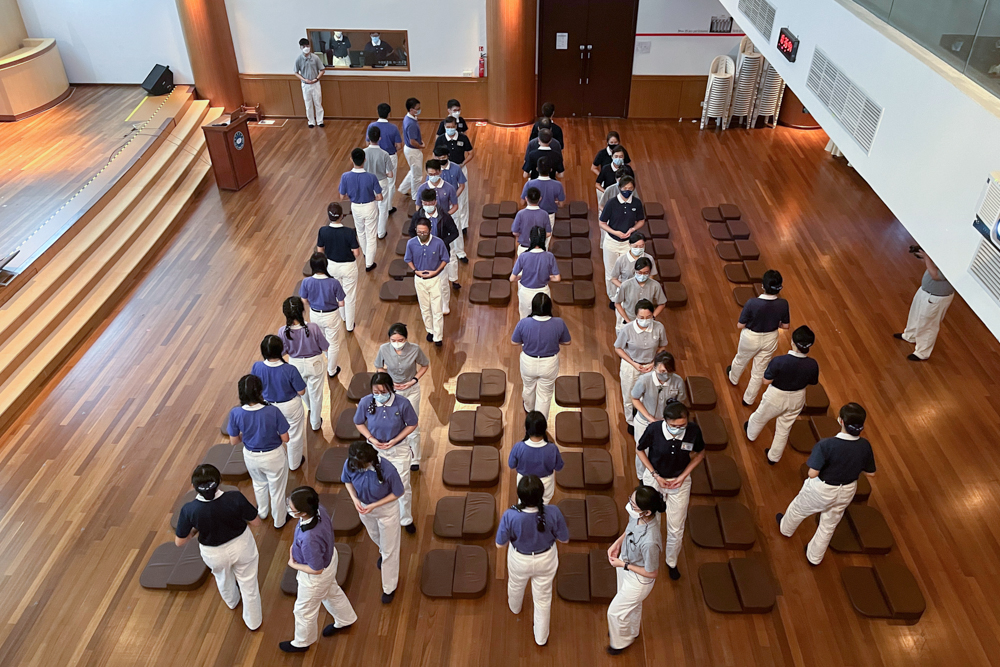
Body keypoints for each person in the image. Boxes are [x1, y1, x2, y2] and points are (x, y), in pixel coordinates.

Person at [776, 403, 876, 565]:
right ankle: (814, 557)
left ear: (841, 421)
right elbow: (871, 473)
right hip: (847, 490)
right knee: (828, 526)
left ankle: (785, 529)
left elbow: (812, 473)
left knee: (798, 509)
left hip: (822, 489)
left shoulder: (826, 445)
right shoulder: (865, 446)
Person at [174, 464, 262, 630]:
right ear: (219, 481)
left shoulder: (189, 509)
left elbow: (180, 541)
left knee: (223, 578)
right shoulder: (235, 497)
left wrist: (194, 531)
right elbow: (256, 522)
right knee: (249, 584)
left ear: (193, 486)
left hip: (214, 554)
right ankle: (254, 622)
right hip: (242, 546)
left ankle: (232, 602)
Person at [279, 486, 357, 653]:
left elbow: (316, 569)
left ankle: (302, 643)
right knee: (331, 592)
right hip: (330, 558)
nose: (289, 510)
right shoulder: (319, 509)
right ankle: (346, 619)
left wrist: (293, 564)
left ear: (302, 513)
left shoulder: (310, 538)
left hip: (315, 577)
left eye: (291, 509)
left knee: (303, 611)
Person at [495, 475, 569, 646]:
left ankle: (515, 608)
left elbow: (499, 544)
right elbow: (564, 539)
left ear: (520, 495)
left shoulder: (511, 515)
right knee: (543, 599)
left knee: (515, 585)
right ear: (542, 494)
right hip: (546, 559)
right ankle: (541, 639)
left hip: (519, 560)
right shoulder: (553, 512)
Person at [635, 400, 704, 580]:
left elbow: (700, 454)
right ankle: (648, 554)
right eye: (674, 426)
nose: (678, 429)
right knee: (650, 521)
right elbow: (640, 450)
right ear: (665, 421)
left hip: (679, 482)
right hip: (655, 479)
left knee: (676, 528)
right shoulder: (654, 429)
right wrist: (655, 475)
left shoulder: (693, 431)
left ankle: (671, 562)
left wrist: (683, 476)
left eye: (682, 425)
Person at [353, 373, 419, 535]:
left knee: (402, 485)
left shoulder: (402, 403)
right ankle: (381, 514)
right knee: (378, 482)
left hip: (398, 450)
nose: (379, 395)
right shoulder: (366, 402)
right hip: (374, 451)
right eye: (376, 392)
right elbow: (358, 422)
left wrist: (395, 439)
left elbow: (412, 423)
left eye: (383, 392)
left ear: (391, 389)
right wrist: (371, 439)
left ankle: (406, 519)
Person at [746, 326, 820, 465]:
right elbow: (813, 382)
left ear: (792, 342)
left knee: (760, 417)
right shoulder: (813, 364)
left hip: (776, 396)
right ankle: (773, 457)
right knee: (784, 429)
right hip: (798, 397)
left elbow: (766, 381)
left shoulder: (779, 361)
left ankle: (751, 434)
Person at [605, 485, 666, 655]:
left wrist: (624, 565)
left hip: (638, 579)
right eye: (630, 501)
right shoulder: (638, 516)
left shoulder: (650, 541)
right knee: (631, 605)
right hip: (624, 563)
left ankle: (620, 642)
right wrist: (617, 543)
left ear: (647, 512)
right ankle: (630, 631)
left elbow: (652, 572)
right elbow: (629, 530)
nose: (629, 506)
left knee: (614, 612)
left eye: (633, 505)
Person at [342, 441, 404, 603]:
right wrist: (355, 499)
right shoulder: (350, 463)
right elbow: (347, 480)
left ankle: (389, 587)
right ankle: (383, 552)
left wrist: (374, 505)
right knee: (375, 535)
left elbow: (398, 492)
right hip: (364, 509)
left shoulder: (388, 470)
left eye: (360, 466)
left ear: (369, 461)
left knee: (390, 550)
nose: (356, 468)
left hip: (386, 510)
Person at [227, 375, 290, 529]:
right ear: (260, 391)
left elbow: (234, 441)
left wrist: (248, 436)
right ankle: (279, 520)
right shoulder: (273, 411)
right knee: (277, 490)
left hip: (251, 456)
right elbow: (286, 438)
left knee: (259, 484)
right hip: (274, 456)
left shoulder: (235, 413)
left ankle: (262, 512)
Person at [726, 269, 790, 406]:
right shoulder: (783, 304)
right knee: (759, 372)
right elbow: (785, 326)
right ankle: (748, 399)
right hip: (770, 338)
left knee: (741, 359)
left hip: (751, 337)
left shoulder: (752, 303)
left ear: (762, 286)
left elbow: (740, 325)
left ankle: (733, 378)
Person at [375, 323, 429, 471]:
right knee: (394, 422)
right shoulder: (383, 349)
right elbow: (379, 367)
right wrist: (389, 382)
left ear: (406, 339)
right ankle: (397, 452)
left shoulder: (415, 349)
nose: (397, 343)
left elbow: (425, 365)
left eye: (400, 340)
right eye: (393, 340)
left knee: (412, 423)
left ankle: (415, 458)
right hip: (393, 391)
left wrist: (413, 380)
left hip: (411, 390)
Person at [511, 293, 571, 421]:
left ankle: (529, 409)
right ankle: (540, 422)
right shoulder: (559, 323)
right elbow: (567, 342)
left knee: (528, 387)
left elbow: (514, 342)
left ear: (533, 307)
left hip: (528, 362)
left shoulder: (524, 323)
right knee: (545, 394)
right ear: (550, 307)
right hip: (549, 364)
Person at [251, 335, 307, 469]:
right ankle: (294, 464)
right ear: (281, 350)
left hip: (267, 407)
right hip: (290, 406)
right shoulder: (290, 369)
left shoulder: (257, 367)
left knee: (270, 434)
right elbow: (301, 391)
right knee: (294, 435)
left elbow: (255, 388)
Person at [614, 300, 669, 434]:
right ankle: (631, 422)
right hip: (631, 365)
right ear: (636, 316)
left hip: (651, 365)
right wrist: (634, 363)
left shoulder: (659, 327)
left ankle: (645, 419)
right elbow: (618, 348)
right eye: (641, 317)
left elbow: (663, 346)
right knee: (629, 396)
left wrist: (653, 362)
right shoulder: (627, 329)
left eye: (648, 317)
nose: (645, 320)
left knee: (648, 395)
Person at [630, 351, 686, 478]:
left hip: (665, 423)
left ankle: (657, 475)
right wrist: (649, 418)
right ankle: (641, 477)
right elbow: (635, 398)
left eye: (668, 372)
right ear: (654, 367)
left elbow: (680, 404)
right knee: (642, 449)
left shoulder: (678, 382)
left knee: (663, 450)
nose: (665, 375)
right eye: (662, 371)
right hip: (645, 420)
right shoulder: (644, 380)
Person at [894, 248, 954, 361]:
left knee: (928, 324)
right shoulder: (946, 254)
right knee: (915, 314)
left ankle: (922, 352)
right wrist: (923, 255)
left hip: (936, 297)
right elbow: (931, 265)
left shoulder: (954, 264)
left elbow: (935, 275)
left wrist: (927, 257)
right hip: (925, 291)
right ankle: (910, 335)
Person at [280, 297, 328, 432]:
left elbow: (282, 352)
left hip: (295, 364)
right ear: (302, 310)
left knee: (302, 390)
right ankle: (315, 423)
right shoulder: (313, 328)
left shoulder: (282, 331)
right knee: (316, 394)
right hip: (315, 363)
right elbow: (325, 347)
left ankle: (310, 408)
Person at [409, 188, 461, 314]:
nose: (428, 206)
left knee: (443, 281)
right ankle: (429, 304)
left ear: (435, 202)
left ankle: (445, 305)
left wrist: (442, 243)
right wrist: (419, 243)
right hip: (424, 254)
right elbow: (411, 232)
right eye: (425, 203)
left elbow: (455, 232)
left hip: (441, 253)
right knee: (426, 282)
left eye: (430, 203)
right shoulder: (418, 216)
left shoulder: (444, 216)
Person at [299, 252, 346, 378]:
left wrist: (313, 304)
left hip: (314, 314)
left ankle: (328, 358)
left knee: (321, 340)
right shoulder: (334, 282)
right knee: (333, 343)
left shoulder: (306, 282)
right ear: (325, 264)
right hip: (331, 315)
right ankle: (332, 370)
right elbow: (341, 303)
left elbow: (304, 300)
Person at [599, 177, 645, 304]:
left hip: (628, 244)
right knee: (611, 273)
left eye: (630, 188)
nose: (627, 191)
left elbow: (641, 220)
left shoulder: (636, 203)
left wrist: (633, 229)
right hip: (611, 242)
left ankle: (623, 296)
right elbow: (602, 223)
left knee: (627, 272)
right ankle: (613, 298)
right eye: (625, 188)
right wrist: (615, 232)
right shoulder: (611, 203)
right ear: (619, 188)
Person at [317, 203, 361, 333]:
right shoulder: (349, 232)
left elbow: (320, 251)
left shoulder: (323, 231)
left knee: (337, 293)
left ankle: (343, 317)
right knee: (350, 296)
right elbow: (357, 253)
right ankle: (349, 325)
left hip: (331, 266)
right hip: (348, 267)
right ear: (342, 216)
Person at [405, 217, 449, 346]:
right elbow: (408, 259)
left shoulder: (438, 243)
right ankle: (430, 330)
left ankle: (438, 336)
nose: (422, 234)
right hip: (419, 280)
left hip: (435, 279)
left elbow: (445, 259)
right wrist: (415, 270)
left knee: (437, 309)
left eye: (424, 232)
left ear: (430, 230)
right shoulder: (411, 243)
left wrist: (436, 272)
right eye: (419, 232)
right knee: (424, 308)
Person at [338, 148, 383, 273]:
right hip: (370, 206)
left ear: (351, 159)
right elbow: (380, 197)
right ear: (365, 160)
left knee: (360, 232)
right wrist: (372, 198)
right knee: (371, 235)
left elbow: (342, 197)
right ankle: (369, 263)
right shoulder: (371, 177)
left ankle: (366, 253)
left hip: (355, 207)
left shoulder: (345, 176)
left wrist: (351, 196)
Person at [507, 412, 564, 504]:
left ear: (526, 428)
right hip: (546, 483)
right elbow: (559, 467)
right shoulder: (552, 449)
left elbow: (511, 464)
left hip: (524, 483)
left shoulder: (518, 447)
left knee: (524, 502)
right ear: (545, 428)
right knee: (544, 503)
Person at [433, 116, 474, 238]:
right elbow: (435, 154)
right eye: (448, 127)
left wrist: (463, 164)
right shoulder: (440, 139)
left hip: (460, 169)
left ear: (456, 126)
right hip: (444, 170)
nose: (450, 129)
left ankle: (463, 225)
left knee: (462, 198)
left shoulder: (463, 138)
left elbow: (471, 153)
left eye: (452, 127)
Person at [510, 226, 560, 320]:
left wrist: (521, 277)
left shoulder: (523, 256)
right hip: (543, 293)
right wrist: (546, 277)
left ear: (530, 239)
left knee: (524, 319)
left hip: (526, 293)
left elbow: (512, 278)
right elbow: (557, 278)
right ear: (544, 239)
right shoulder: (549, 256)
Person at [365, 103, 403, 216]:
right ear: (389, 114)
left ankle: (374, 205)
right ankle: (388, 207)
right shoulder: (393, 128)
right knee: (390, 183)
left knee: (373, 180)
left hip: (372, 156)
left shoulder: (371, 126)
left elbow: (367, 143)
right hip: (390, 156)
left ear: (378, 112)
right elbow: (399, 146)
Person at [433, 145, 470, 251]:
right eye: (438, 158)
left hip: (452, 204)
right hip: (438, 205)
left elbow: (461, 186)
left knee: (456, 227)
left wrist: (453, 198)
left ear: (448, 156)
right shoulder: (433, 170)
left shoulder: (456, 168)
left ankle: (460, 252)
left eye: (443, 157)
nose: (441, 160)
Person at [614, 258, 666, 328]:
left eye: (646, 273)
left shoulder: (655, 286)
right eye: (639, 272)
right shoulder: (626, 285)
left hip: (646, 321)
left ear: (650, 272)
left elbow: (662, 303)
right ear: (635, 271)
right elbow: (617, 303)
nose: (642, 275)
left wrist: (652, 316)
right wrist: (627, 320)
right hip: (629, 319)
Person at [364, 126, 394, 239]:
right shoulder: (384, 154)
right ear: (380, 138)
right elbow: (390, 174)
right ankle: (381, 232)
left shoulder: (363, 152)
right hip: (381, 182)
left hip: (368, 182)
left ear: (368, 137)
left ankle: (371, 230)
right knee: (383, 207)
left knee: (372, 206)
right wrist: (383, 173)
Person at [520, 158, 565, 226]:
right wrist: (555, 203)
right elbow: (561, 205)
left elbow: (522, 202)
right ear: (551, 170)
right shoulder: (558, 185)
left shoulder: (529, 184)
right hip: (549, 216)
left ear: (537, 169)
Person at [397, 97, 425, 203]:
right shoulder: (411, 124)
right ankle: (415, 196)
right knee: (417, 175)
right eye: (417, 109)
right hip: (413, 151)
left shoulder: (409, 118)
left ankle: (403, 188)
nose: (419, 110)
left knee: (413, 170)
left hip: (410, 149)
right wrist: (421, 146)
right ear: (411, 109)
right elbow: (412, 141)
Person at [294, 38, 325, 129]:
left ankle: (320, 121)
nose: (306, 48)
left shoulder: (315, 58)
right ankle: (311, 121)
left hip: (315, 84)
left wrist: (316, 78)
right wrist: (304, 79)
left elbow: (322, 70)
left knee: (318, 103)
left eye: (307, 46)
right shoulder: (299, 59)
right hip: (305, 85)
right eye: (304, 46)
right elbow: (296, 72)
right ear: (300, 47)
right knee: (308, 104)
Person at [511, 189, 552, 255]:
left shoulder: (520, 214)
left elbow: (515, 232)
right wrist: (538, 238)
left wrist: (524, 236)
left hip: (524, 248)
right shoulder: (544, 214)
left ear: (526, 198)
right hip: (539, 249)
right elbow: (548, 233)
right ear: (540, 198)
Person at [591, 132, 631, 198]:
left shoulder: (624, 153)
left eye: (615, 142)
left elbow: (628, 164)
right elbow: (593, 168)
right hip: (606, 184)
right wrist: (603, 175)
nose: (613, 144)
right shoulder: (602, 155)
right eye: (611, 142)